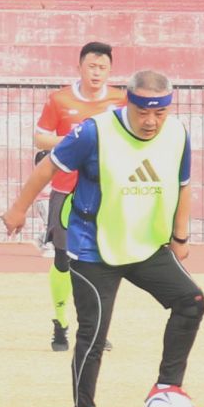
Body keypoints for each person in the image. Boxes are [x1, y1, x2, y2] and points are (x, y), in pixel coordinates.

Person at [2, 70, 204, 407]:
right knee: (93, 333)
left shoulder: (178, 134)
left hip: (145, 245)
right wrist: (18, 209)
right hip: (92, 247)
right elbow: (48, 166)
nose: (151, 121)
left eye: (159, 113)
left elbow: (183, 185)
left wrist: (180, 237)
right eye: (143, 112)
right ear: (128, 103)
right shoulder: (93, 133)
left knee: (191, 302)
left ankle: (168, 386)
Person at [31, 43, 128, 351]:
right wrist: (75, 141)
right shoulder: (59, 100)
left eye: (102, 68)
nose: (96, 73)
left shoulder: (120, 101)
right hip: (66, 190)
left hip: (104, 192)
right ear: (79, 67)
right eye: (91, 67)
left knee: (101, 261)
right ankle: (60, 322)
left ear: (110, 71)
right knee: (63, 259)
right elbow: (40, 138)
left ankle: (96, 326)